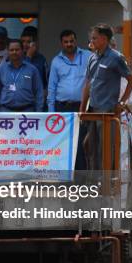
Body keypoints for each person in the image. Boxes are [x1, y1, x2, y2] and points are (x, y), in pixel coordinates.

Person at [80, 24, 132, 170]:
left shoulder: (116, 58)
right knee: (89, 146)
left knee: (105, 149)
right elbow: (87, 84)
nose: (91, 41)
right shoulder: (92, 58)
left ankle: (106, 183)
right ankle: (93, 180)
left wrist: (122, 102)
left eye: (94, 38)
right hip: (93, 111)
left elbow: (131, 81)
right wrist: (82, 109)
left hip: (107, 111)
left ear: (104, 39)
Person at [48, 30, 92, 170]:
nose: (69, 44)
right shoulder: (56, 61)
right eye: (66, 42)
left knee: (82, 143)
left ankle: (81, 177)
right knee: (64, 143)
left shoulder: (88, 56)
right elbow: (52, 88)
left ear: (76, 41)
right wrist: (52, 112)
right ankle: (65, 177)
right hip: (63, 108)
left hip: (82, 107)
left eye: (71, 41)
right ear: (61, 43)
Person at [0, 39, 43, 112]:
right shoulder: (1, 70)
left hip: (27, 111)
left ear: (22, 51)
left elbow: (39, 93)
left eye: (17, 50)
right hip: (5, 111)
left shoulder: (32, 70)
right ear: (8, 52)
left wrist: (39, 112)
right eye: (11, 50)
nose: (14, 52)